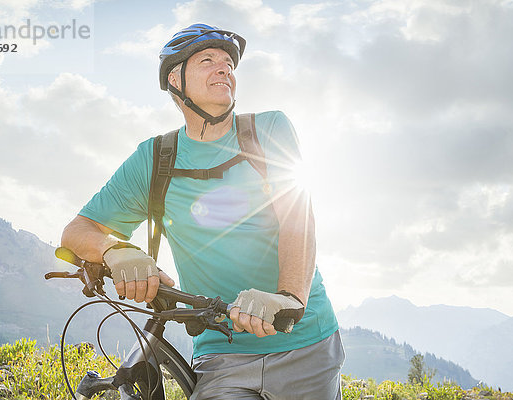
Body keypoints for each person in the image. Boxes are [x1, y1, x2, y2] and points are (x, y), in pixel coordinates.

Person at [61, 23, 344, 399]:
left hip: (306, 343)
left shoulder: (268, 129)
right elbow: (77, 231)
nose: (224, 68)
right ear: (175, 81)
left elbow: (298, 216)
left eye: (228, 62)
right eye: (208, 60)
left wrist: (289, 297)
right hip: (221, 353)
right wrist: (115, 249)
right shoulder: (155, 158)